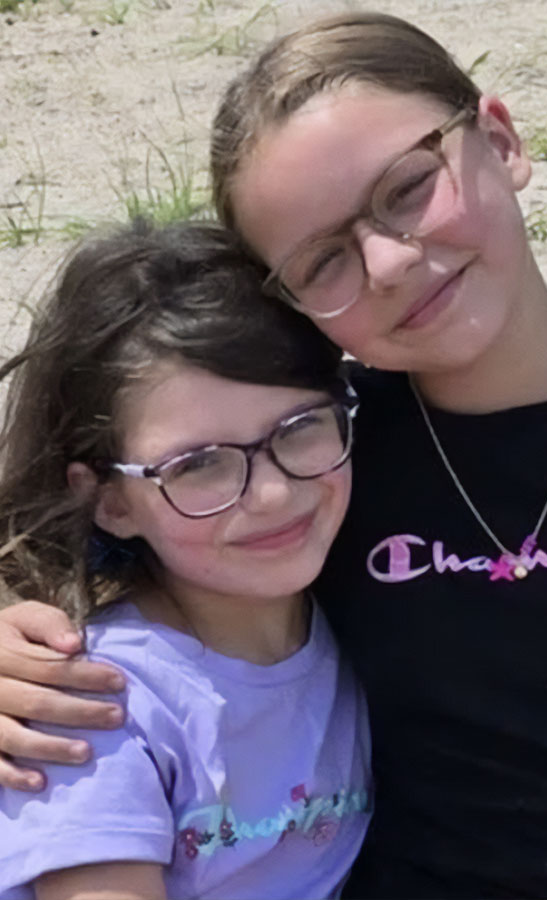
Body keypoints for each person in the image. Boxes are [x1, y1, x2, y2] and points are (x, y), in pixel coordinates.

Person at [1, 11, 547, 899]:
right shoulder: (313, 459)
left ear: (500, 139)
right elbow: (109, 529)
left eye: (408, 188)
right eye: (321, 259)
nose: (388, 262)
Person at [0, 220, 371, 900]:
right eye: (197, 464)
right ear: (110, 501)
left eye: (301, 427)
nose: (272, 493)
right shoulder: (92, 702)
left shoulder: (362, 610)